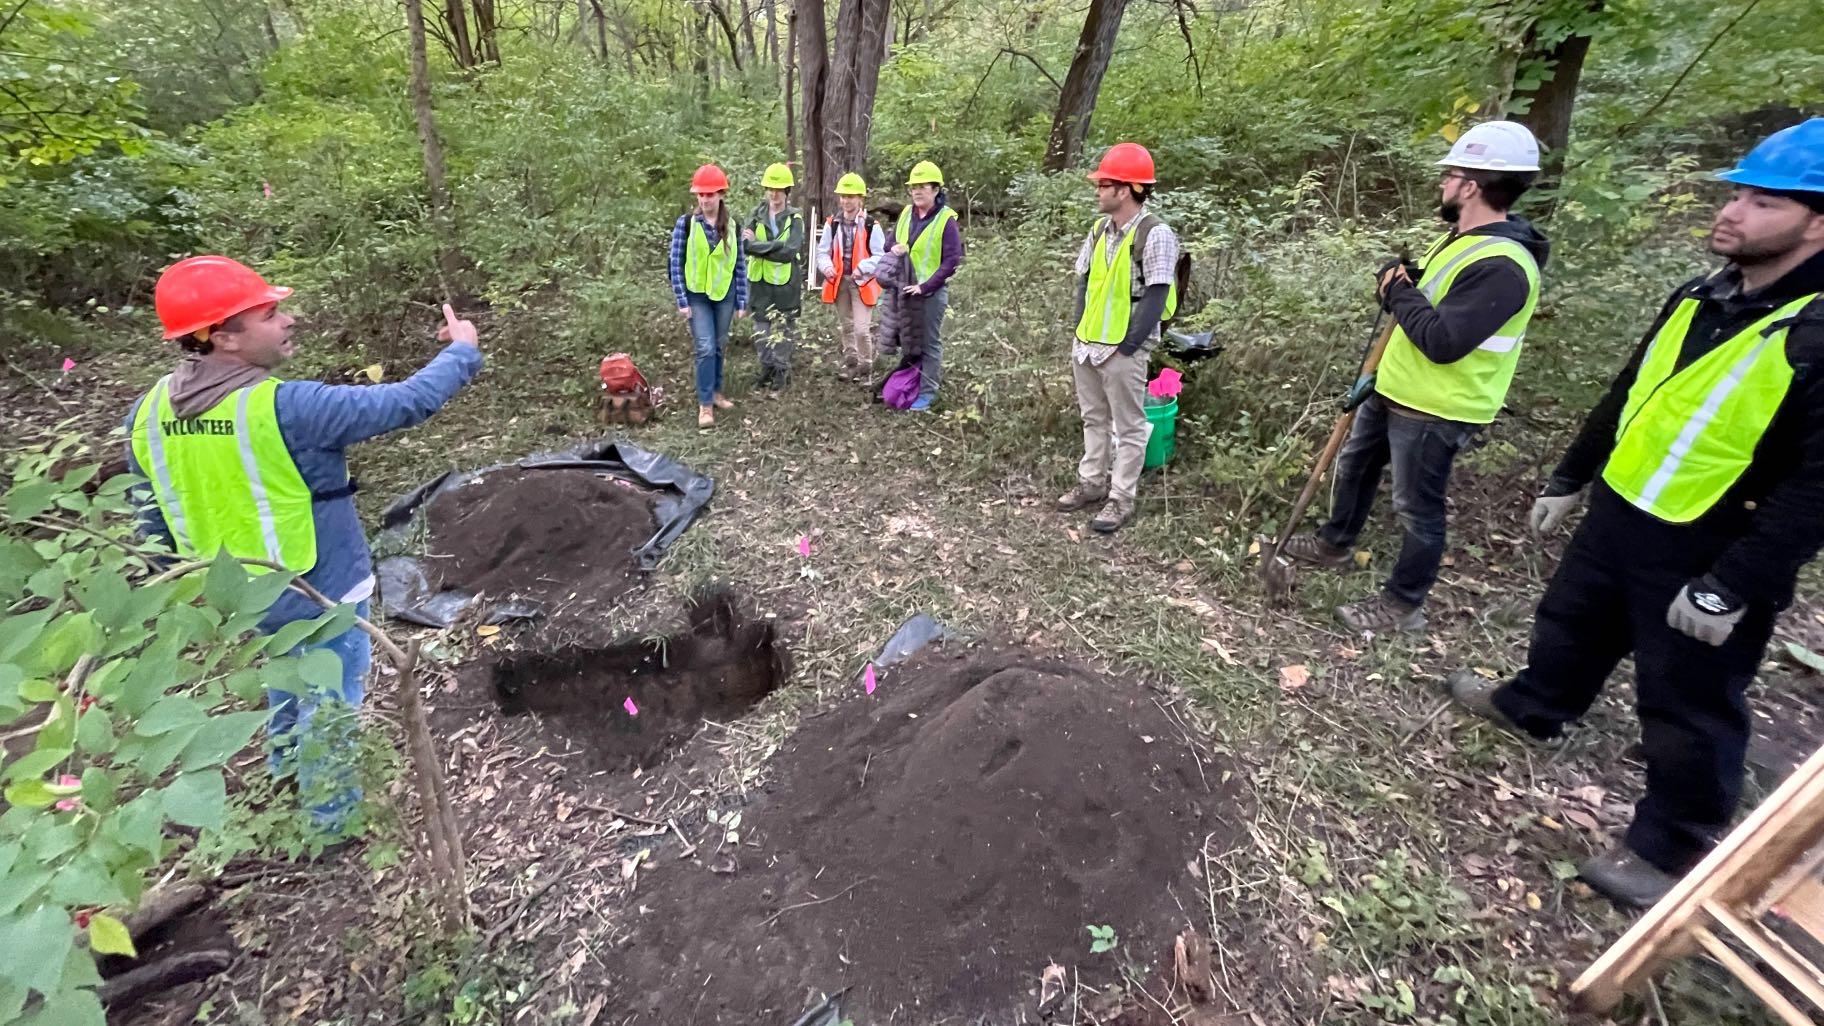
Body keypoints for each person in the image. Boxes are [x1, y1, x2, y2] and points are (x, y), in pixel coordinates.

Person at [1449, 119, 1824, 908]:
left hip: (1711, 538)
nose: (1732, 212)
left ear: (1816, 221)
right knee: (1571, 621)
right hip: (1624, 506)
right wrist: (1571, 475)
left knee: (1687, 692)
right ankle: (1535, 707)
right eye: (1736, 195)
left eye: (1762, 202)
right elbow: (1630, 390)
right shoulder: (1702, 294)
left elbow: (1817, 486)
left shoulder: (1816, 331)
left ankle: (1670, 845)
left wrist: (1736, 583)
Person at [126, 255, 483, 834]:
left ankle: (283, 776)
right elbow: (406, 401)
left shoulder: (146, 413)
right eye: (270, 314)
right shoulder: (289, 408)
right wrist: (462, 351)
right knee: (332, 700)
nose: (288, 321)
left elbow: (152, 514)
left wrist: (181, 581)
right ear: (223, 337)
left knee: (284, 683)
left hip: (232, 597)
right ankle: (330, 822)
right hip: (317, 586)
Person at [1282, 121, 1550, 633]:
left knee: (1416, 507)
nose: (1443, 185)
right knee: (1356, 466)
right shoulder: (1462, 240)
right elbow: (1426, 305)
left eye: (1450, 175)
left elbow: (1444, 341)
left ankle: (1402, 604)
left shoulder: (1505, 265)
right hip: (1393, 389)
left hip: (1438, 408)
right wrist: (1405, 282)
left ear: (1471, 185)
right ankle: (1333, 543)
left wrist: (1398, 289)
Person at [1055, 142, 1182, 534]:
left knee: (1129, 427)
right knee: (1093, 418)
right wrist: (1079, 331)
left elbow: (1158, 294)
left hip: (1122, 350)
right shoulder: (1098, 230)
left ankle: (1120, 498)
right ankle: (1092, 484)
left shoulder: (1155, 234)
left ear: (1124, 189)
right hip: (1088, 344)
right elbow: (1084, 283)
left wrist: (1127, 347)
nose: (1098, 191)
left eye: (1103, 184)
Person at [668, 163, 749, 427]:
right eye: (701, 195)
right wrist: (682, 299)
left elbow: (739, 264)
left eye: (710, 195)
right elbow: (675, 262)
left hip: (724, 295)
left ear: (721, 195)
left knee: (718, 344)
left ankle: (716, 392)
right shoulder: (687, 224)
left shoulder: (733, 225)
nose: (705, 200)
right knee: (704, 347)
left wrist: (741, 299)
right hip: (696, 296)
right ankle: (705, 405)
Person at [891, 160, 963, 411]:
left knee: (930, 343)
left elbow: (952, 260)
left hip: (930, 294)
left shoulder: (946, 219)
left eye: (923, 186)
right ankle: (909, 385)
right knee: (908, 340)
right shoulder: (904, 214)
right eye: (914, 187)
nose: (917, 191)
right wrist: (894, 248)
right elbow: (888, 244)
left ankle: (928, 393)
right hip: (903, 291)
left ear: (936, 189)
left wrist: (925, 286)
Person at [817, 172, 888, 382]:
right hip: (839, 283)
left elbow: (880, 255)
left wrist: (863, 267)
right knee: (846, 326)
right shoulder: (833, 223)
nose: (846, 201)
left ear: (860, 198)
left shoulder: (871, 225)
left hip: (862, 283)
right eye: (843, 196)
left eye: (851, 196)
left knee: (861, 329)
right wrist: (827, 266)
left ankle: (866, 366)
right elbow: (823, 252)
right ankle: (851, 364)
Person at [743, 162, 807, 392]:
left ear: (787, 192)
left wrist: (759, 245)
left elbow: (789, 251)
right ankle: (766, 369)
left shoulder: (795, 219)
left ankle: (782, 373)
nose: (774, 193)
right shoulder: (756, 213)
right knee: (761, 332)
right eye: (770, 188)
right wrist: (773, 245)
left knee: (782, 333)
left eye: (779, 189)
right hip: (759, 284)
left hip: (784, 287)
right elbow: (745, 245)